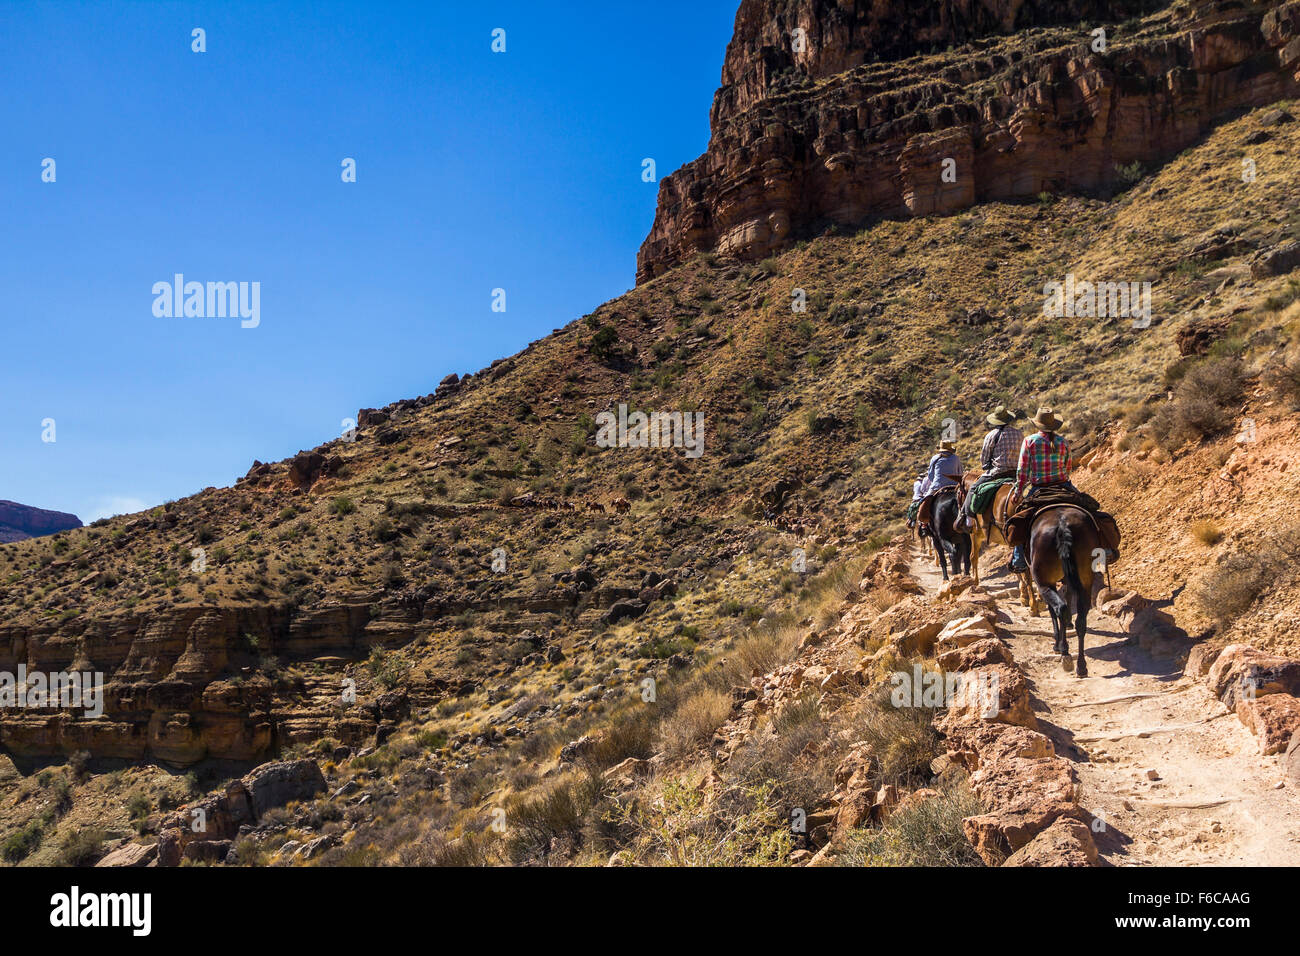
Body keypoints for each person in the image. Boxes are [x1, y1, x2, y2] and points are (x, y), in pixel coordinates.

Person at [1008, 406, 1073, 571]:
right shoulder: (1063, 442)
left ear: (1037, 424)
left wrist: (1017, 492)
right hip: (1063, 486)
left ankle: (1018, 560)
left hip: (1038, 489)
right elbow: (1068, 467)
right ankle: (1105, 548)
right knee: (1089, 507)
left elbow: (1022, 472)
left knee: (1022, 519)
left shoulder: (1029, 441)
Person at [959, 405, 1023, 528]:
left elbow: (984, 458)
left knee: (974, 488)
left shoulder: (992, 435)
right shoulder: (1019, 434)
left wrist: (986, 466)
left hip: (997, 472)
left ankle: (969, 518)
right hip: (1016, 473)